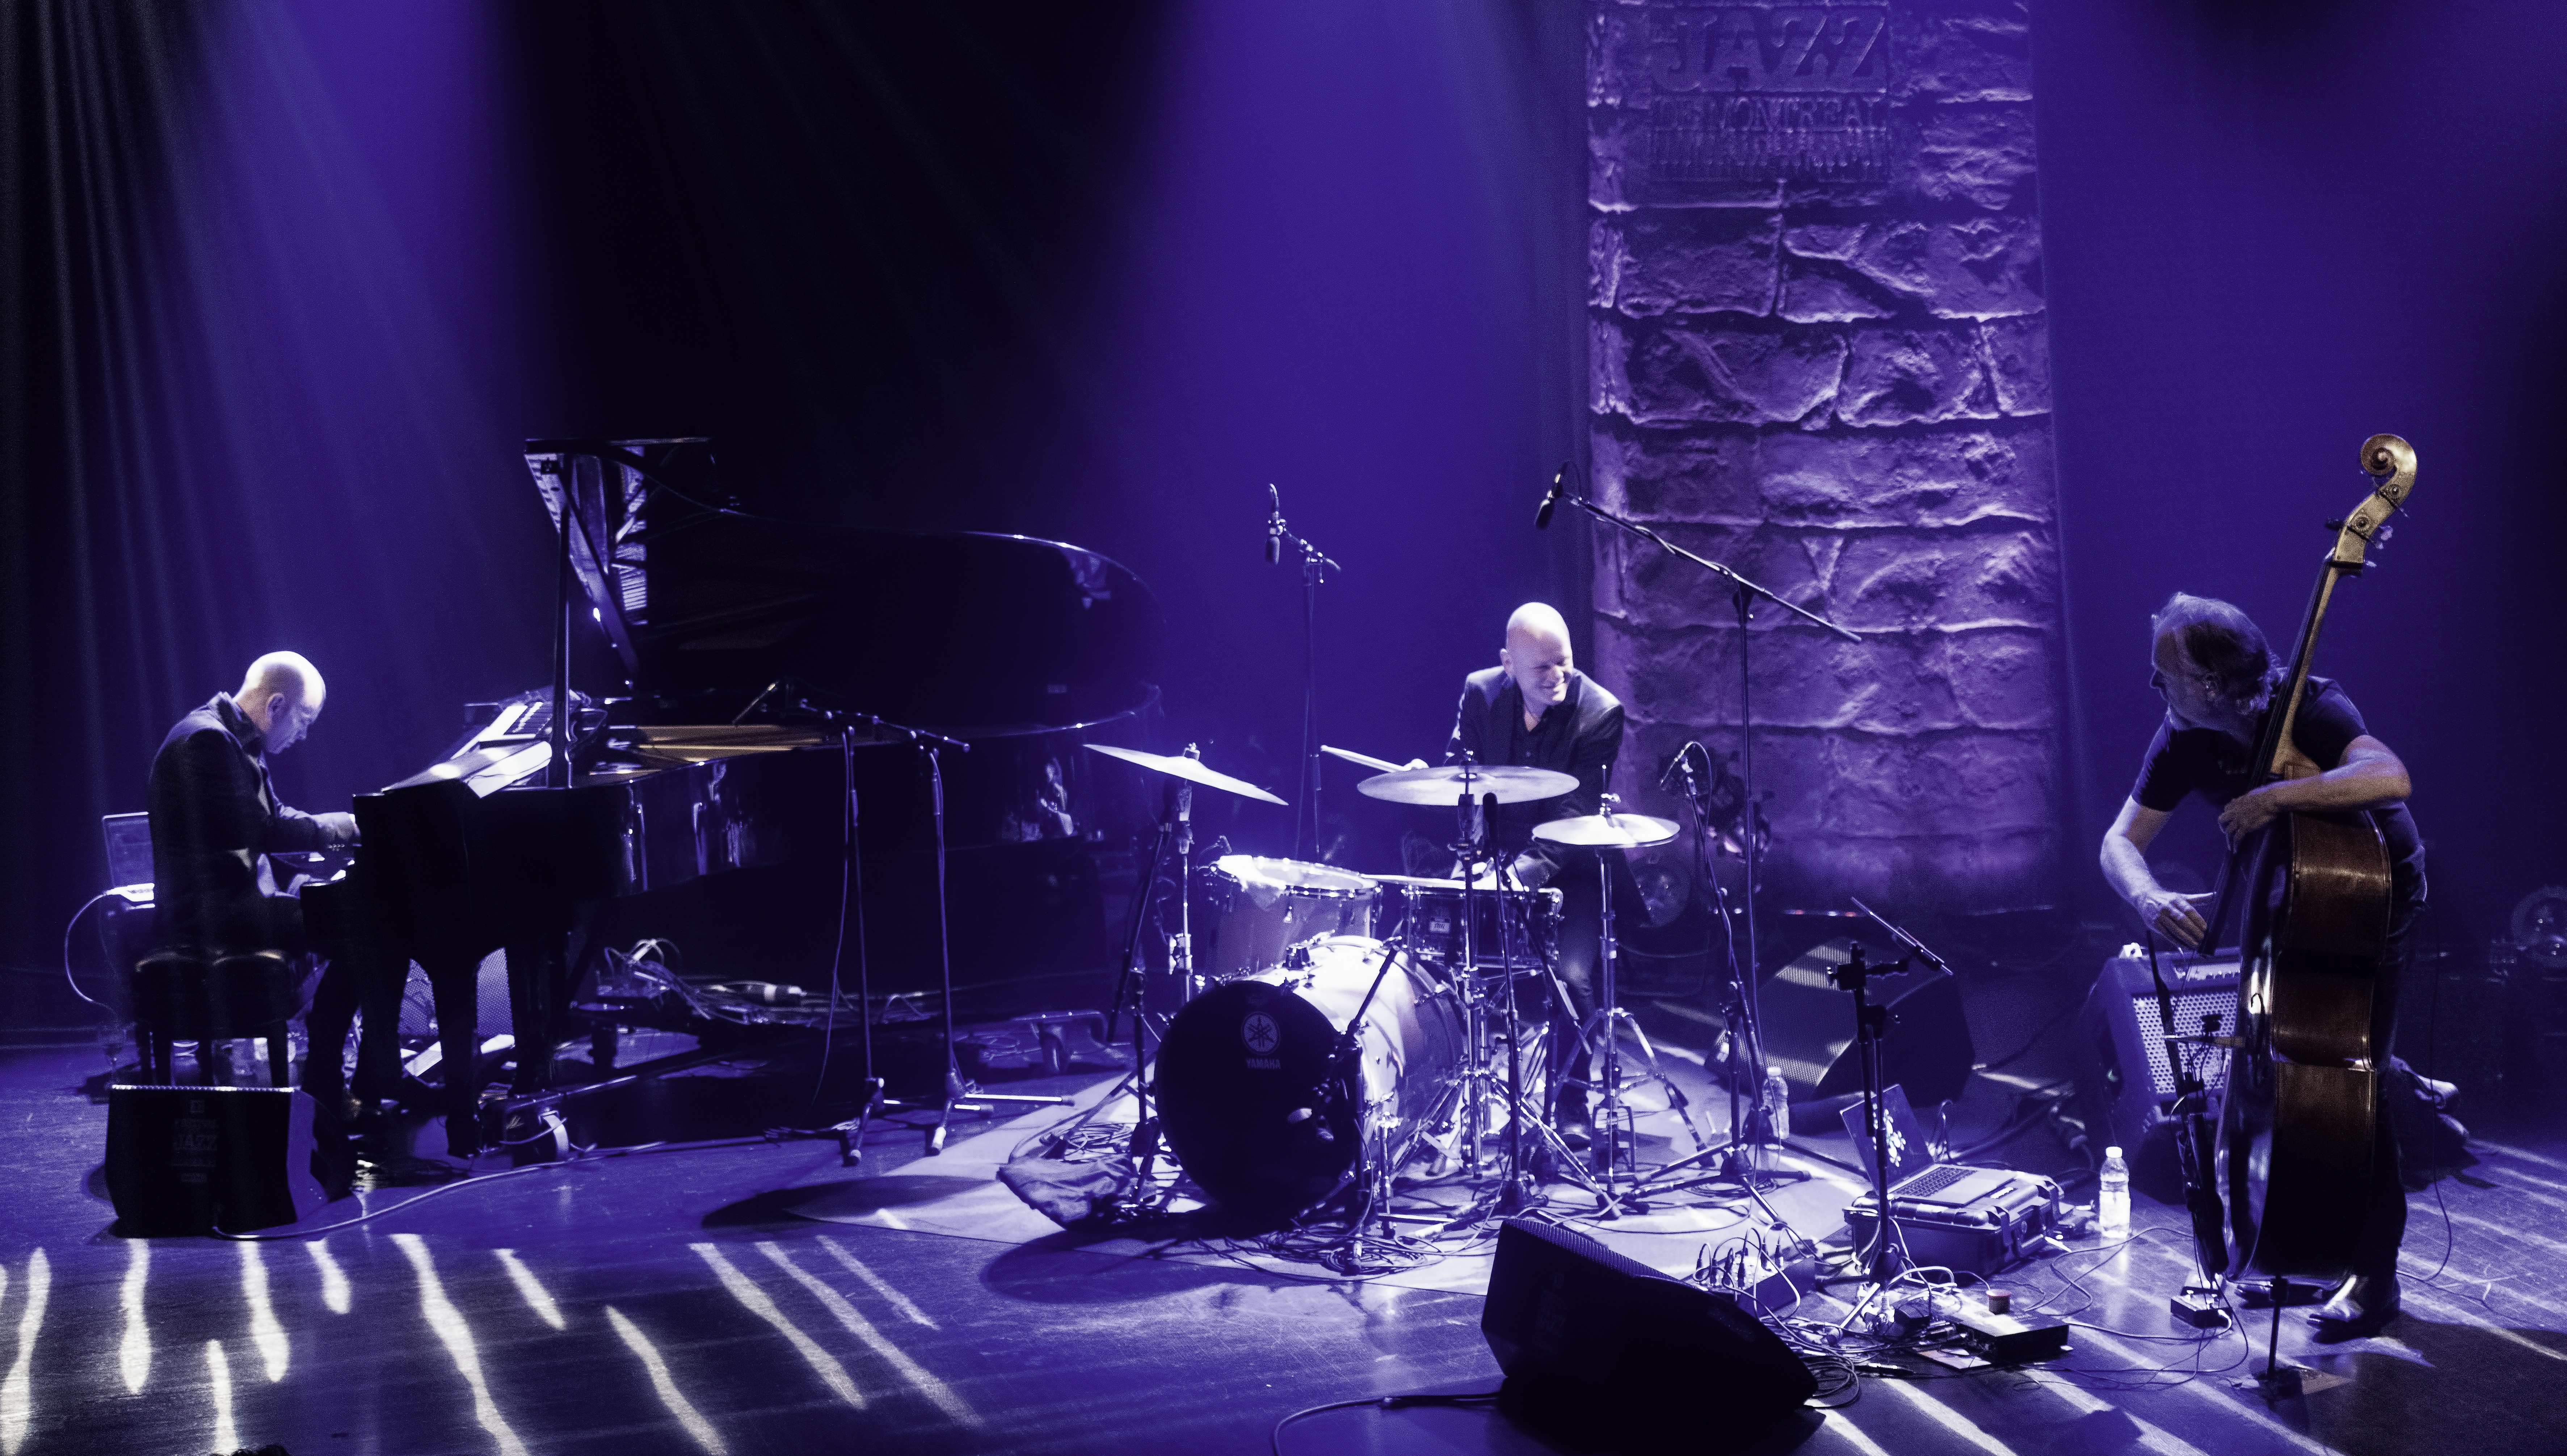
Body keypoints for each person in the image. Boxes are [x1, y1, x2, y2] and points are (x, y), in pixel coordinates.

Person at [2097, 593, 2422, 1340]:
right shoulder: (2181, 734)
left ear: (2211, 682)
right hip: (2285, 894)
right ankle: (2289, 1249)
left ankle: (2375, 1272)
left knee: (2351, 1075)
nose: (2154, 688)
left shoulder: (2311, 704)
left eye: (2164, 674)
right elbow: (2119, 842)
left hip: (2374, 897)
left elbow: (2392, 777)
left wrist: (2279, 794)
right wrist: (2148, 898)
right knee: (2271, 1073)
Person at [147, 653, 398, 1119]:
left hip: (237, 897)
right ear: (277, 704)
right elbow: (264, 830)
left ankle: (357, 1076)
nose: (304, 734)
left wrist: (342, 831)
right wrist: (353, 827)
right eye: (304, 719)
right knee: (366, 928)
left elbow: (272, 818)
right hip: (210, 912)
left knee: (367, 922)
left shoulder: (234, 739)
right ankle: (338, 1080)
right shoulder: (206, 742)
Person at [1447, 602, 1625, 1147]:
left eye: (1563, 663)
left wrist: (1518, 876)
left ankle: (1573, 1097)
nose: (1557, 677)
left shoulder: (1600, 713)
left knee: (1570, 977)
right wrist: (1472, 856)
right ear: (1508, 663)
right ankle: (1452, 1092)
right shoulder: (1481, 692)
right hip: (1497, 855)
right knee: (1446, 956)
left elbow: (1575, 816)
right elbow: (1464, 775)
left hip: (1570, 863)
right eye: (1541, 668)